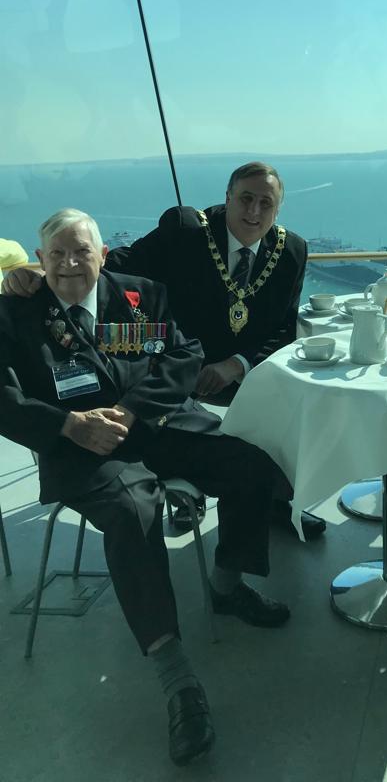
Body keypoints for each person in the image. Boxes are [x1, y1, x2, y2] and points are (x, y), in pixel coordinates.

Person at [0, 209, 290, 763]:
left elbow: (182, 354)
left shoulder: (137, 297)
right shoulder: (17, 315)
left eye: (81, 251)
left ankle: (227, 587)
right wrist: (68, 425)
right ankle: (178, 680)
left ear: (103, 254)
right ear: (39, 261)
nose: (68, 264)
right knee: (136, 513)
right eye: (56, 254)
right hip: (80, 450)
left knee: (253, 464)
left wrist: (131, 412)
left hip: (155, 426)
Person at [2, 161, 325, 539]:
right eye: (246, 199)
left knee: (272, 446)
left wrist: (236, 365)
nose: (253, 211)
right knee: (158, 481)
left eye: (265, 203)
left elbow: (286, 327)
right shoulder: (187, 229)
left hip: (244, 370)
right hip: (174, 370)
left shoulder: (291, 251)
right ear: (228, 198)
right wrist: (56, 273)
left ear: (278, 209)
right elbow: (120, 263)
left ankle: (274, 501)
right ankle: (201, 491)